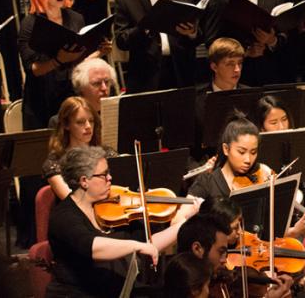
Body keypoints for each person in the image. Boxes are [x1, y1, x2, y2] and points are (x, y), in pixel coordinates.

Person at [46, 146, 198, 298]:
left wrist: (184, 224)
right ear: (84, 181)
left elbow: (149, 243)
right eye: (104, 175)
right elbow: (93, 247)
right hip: (78, 293)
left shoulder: (114, 208)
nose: (110, 178)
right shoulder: (63, 217)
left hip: (117, 289)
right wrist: (137, 246)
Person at [19, 0, 104, 130]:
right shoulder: (29, 24)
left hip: (70, 94)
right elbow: (33, 69)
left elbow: (78, 61)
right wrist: (58, 60)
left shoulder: (75, 18)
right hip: (40, 100)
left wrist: (99, 52)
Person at [187, 114, 274, 201]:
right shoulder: (207, 182)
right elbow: (182, 213)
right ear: (226, 149)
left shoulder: (263, 172)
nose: (248, 160)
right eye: (241, 152)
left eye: (253, 152)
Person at [41, 96, 106, 200]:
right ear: (66, 125)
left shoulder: (105, 153)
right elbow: (73, 201)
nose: (88, 126)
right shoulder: (55, 163)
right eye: (80, 122)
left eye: (91, 121)